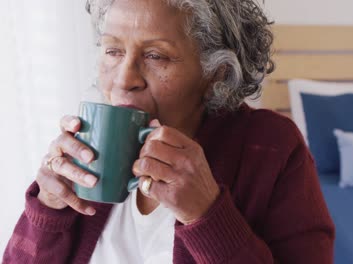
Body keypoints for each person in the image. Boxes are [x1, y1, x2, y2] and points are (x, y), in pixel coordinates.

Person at [3, 0, 335, 263]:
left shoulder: (272, 148)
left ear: (215, 72)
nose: (123, 79)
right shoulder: (88, 145)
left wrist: (206, 215)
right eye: (113, 51)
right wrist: (47, 209)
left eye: (155, 55)